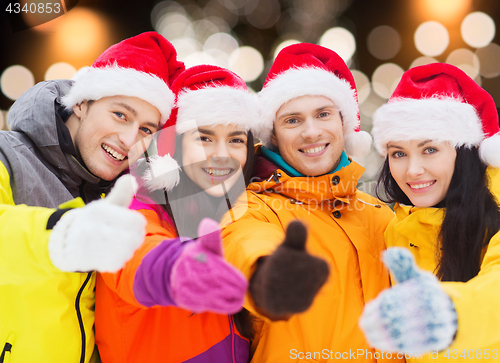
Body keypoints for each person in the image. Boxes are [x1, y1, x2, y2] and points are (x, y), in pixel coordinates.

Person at [0, 32, 184, 363]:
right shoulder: (7, 155)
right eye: (120, 115)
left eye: (146, 129)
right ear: (82, 103)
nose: (129, 139)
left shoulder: (125, 188)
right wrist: (62, 233)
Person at [220, 43, 404, 362]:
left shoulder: (380, 217)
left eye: (323, 114)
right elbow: (245, 244)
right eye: (293, 120)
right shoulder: (250, 210)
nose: (311, 131)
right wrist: (267, 271)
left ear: (343, 124)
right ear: (274, 135)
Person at [95, 65, 260, 363]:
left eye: (236, 140)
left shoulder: (238, 215)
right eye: (205, 138)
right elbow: (136, 254)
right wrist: (177, 268)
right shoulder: (137, 207)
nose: (222, 154)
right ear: (175, 149)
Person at [360, 63, 500, 362]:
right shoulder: (397, 231)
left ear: (463, 152)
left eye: (430, 150)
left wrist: (445, 315)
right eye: (398, 153)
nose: (412, 170)